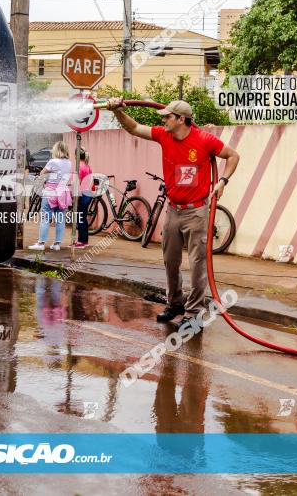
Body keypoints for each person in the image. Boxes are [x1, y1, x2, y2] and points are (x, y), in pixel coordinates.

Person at [108, 98, 240, 332]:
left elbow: (233, 156)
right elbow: (135, 128)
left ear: (181, 119)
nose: (163, 119)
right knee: (171, 260)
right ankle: (175, 303)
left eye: (167, 116)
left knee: (198, 263)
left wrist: (223, 181)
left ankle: (194, 312)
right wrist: (118, 111)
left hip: (197, 210)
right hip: (173, 209)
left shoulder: (204, 140)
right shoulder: (164, 135)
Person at [28, 141, 72, 252]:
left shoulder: (52, 161)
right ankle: (57, 244)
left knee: (45, 219)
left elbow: (42, 174)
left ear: (56, 150)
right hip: (63, 192)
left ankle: (41, 243)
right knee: (60, 219)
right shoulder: (69, 163)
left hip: (51, 192)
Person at [74, 149, 93, 249]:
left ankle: (81, 241)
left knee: (80, 218)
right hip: (88, 193)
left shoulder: (79, 167)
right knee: (83, 218)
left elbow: (77, 183)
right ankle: (84, 240)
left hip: (81, 194)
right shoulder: (87, 166)